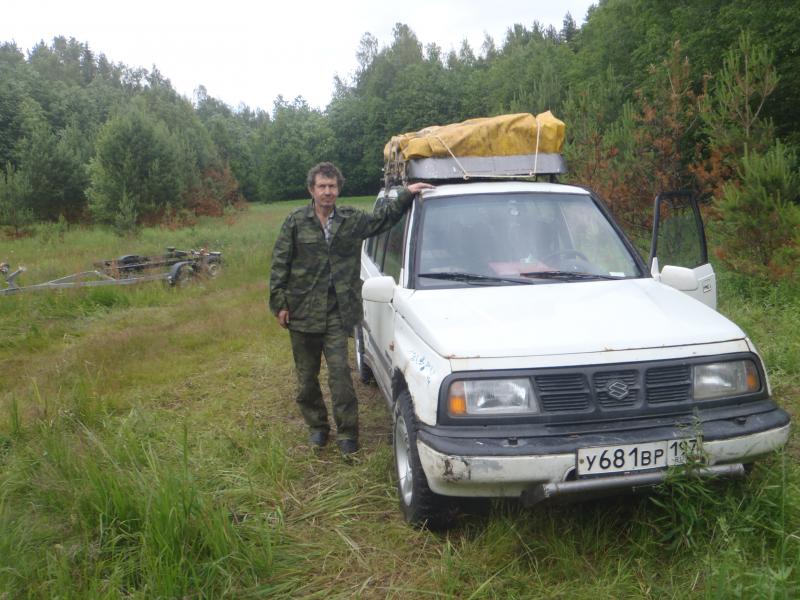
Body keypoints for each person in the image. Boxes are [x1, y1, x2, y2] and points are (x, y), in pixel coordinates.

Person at [269, 162, 433, 456]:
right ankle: (318, 427)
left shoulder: (351, 220)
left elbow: (382, 220)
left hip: (337, 311)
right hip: (302, 312)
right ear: (312, 190)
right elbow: (280, 263)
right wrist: (279, 303)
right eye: (322, 186)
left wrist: (406, 194)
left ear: (338, 189)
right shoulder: (295, 222)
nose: (327, 192)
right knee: (306, 380)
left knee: (341, 377)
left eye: (332, 186)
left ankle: (347, 433)